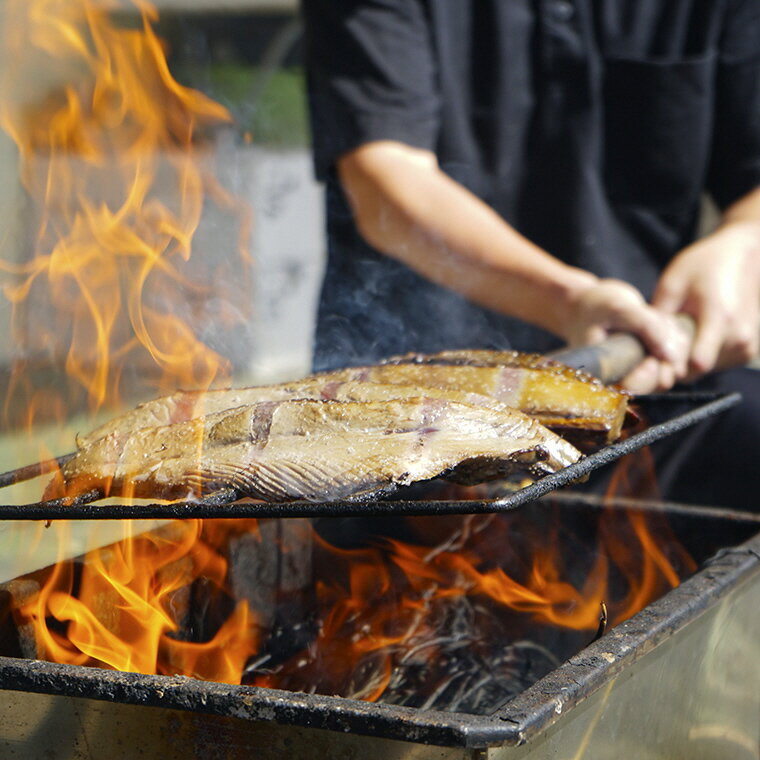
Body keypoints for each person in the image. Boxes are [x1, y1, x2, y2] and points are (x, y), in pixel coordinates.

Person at [301, 0, 760, 510]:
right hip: (402, 434)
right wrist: (572, 302)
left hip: (649, 388)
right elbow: (385, 183)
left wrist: (741, 242)